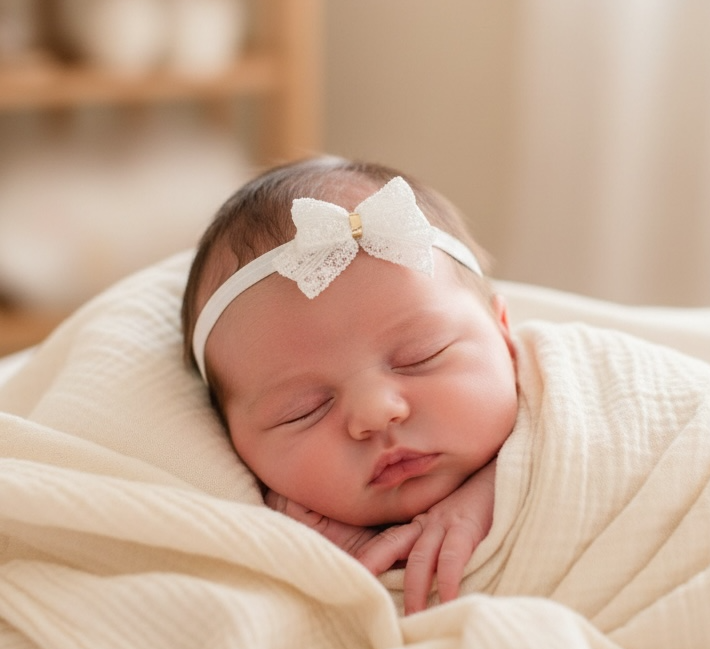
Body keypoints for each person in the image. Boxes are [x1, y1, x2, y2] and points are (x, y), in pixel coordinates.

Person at [182, 155, 519, 614]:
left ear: (503, 331)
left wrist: (497, 489)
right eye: (304, 409)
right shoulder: (249, 534)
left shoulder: (566, 398)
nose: (376, 412)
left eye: (422, 355)